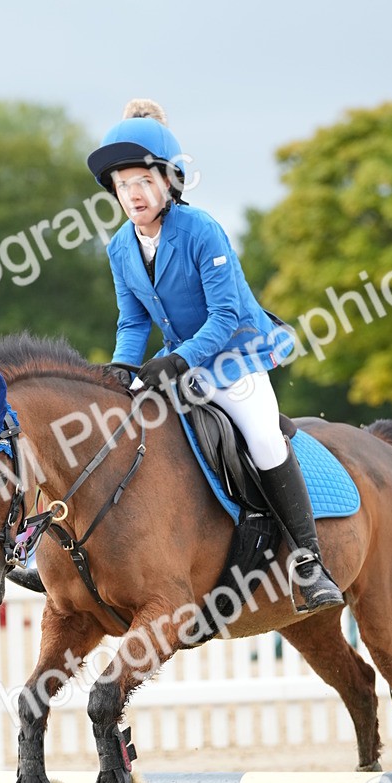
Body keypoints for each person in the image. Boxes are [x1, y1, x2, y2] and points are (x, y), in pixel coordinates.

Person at [86, 103, 343, 613]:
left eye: (142, 180)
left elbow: (225, 315)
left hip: (234, 355)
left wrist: (177, 363)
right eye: (122, 183)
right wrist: (121, 368)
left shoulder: (201, 230)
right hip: (176, 360)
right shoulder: (120, 247)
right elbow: (134, 321)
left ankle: (309, 563)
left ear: (168, 182)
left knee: (264, 436)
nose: (132, 193)